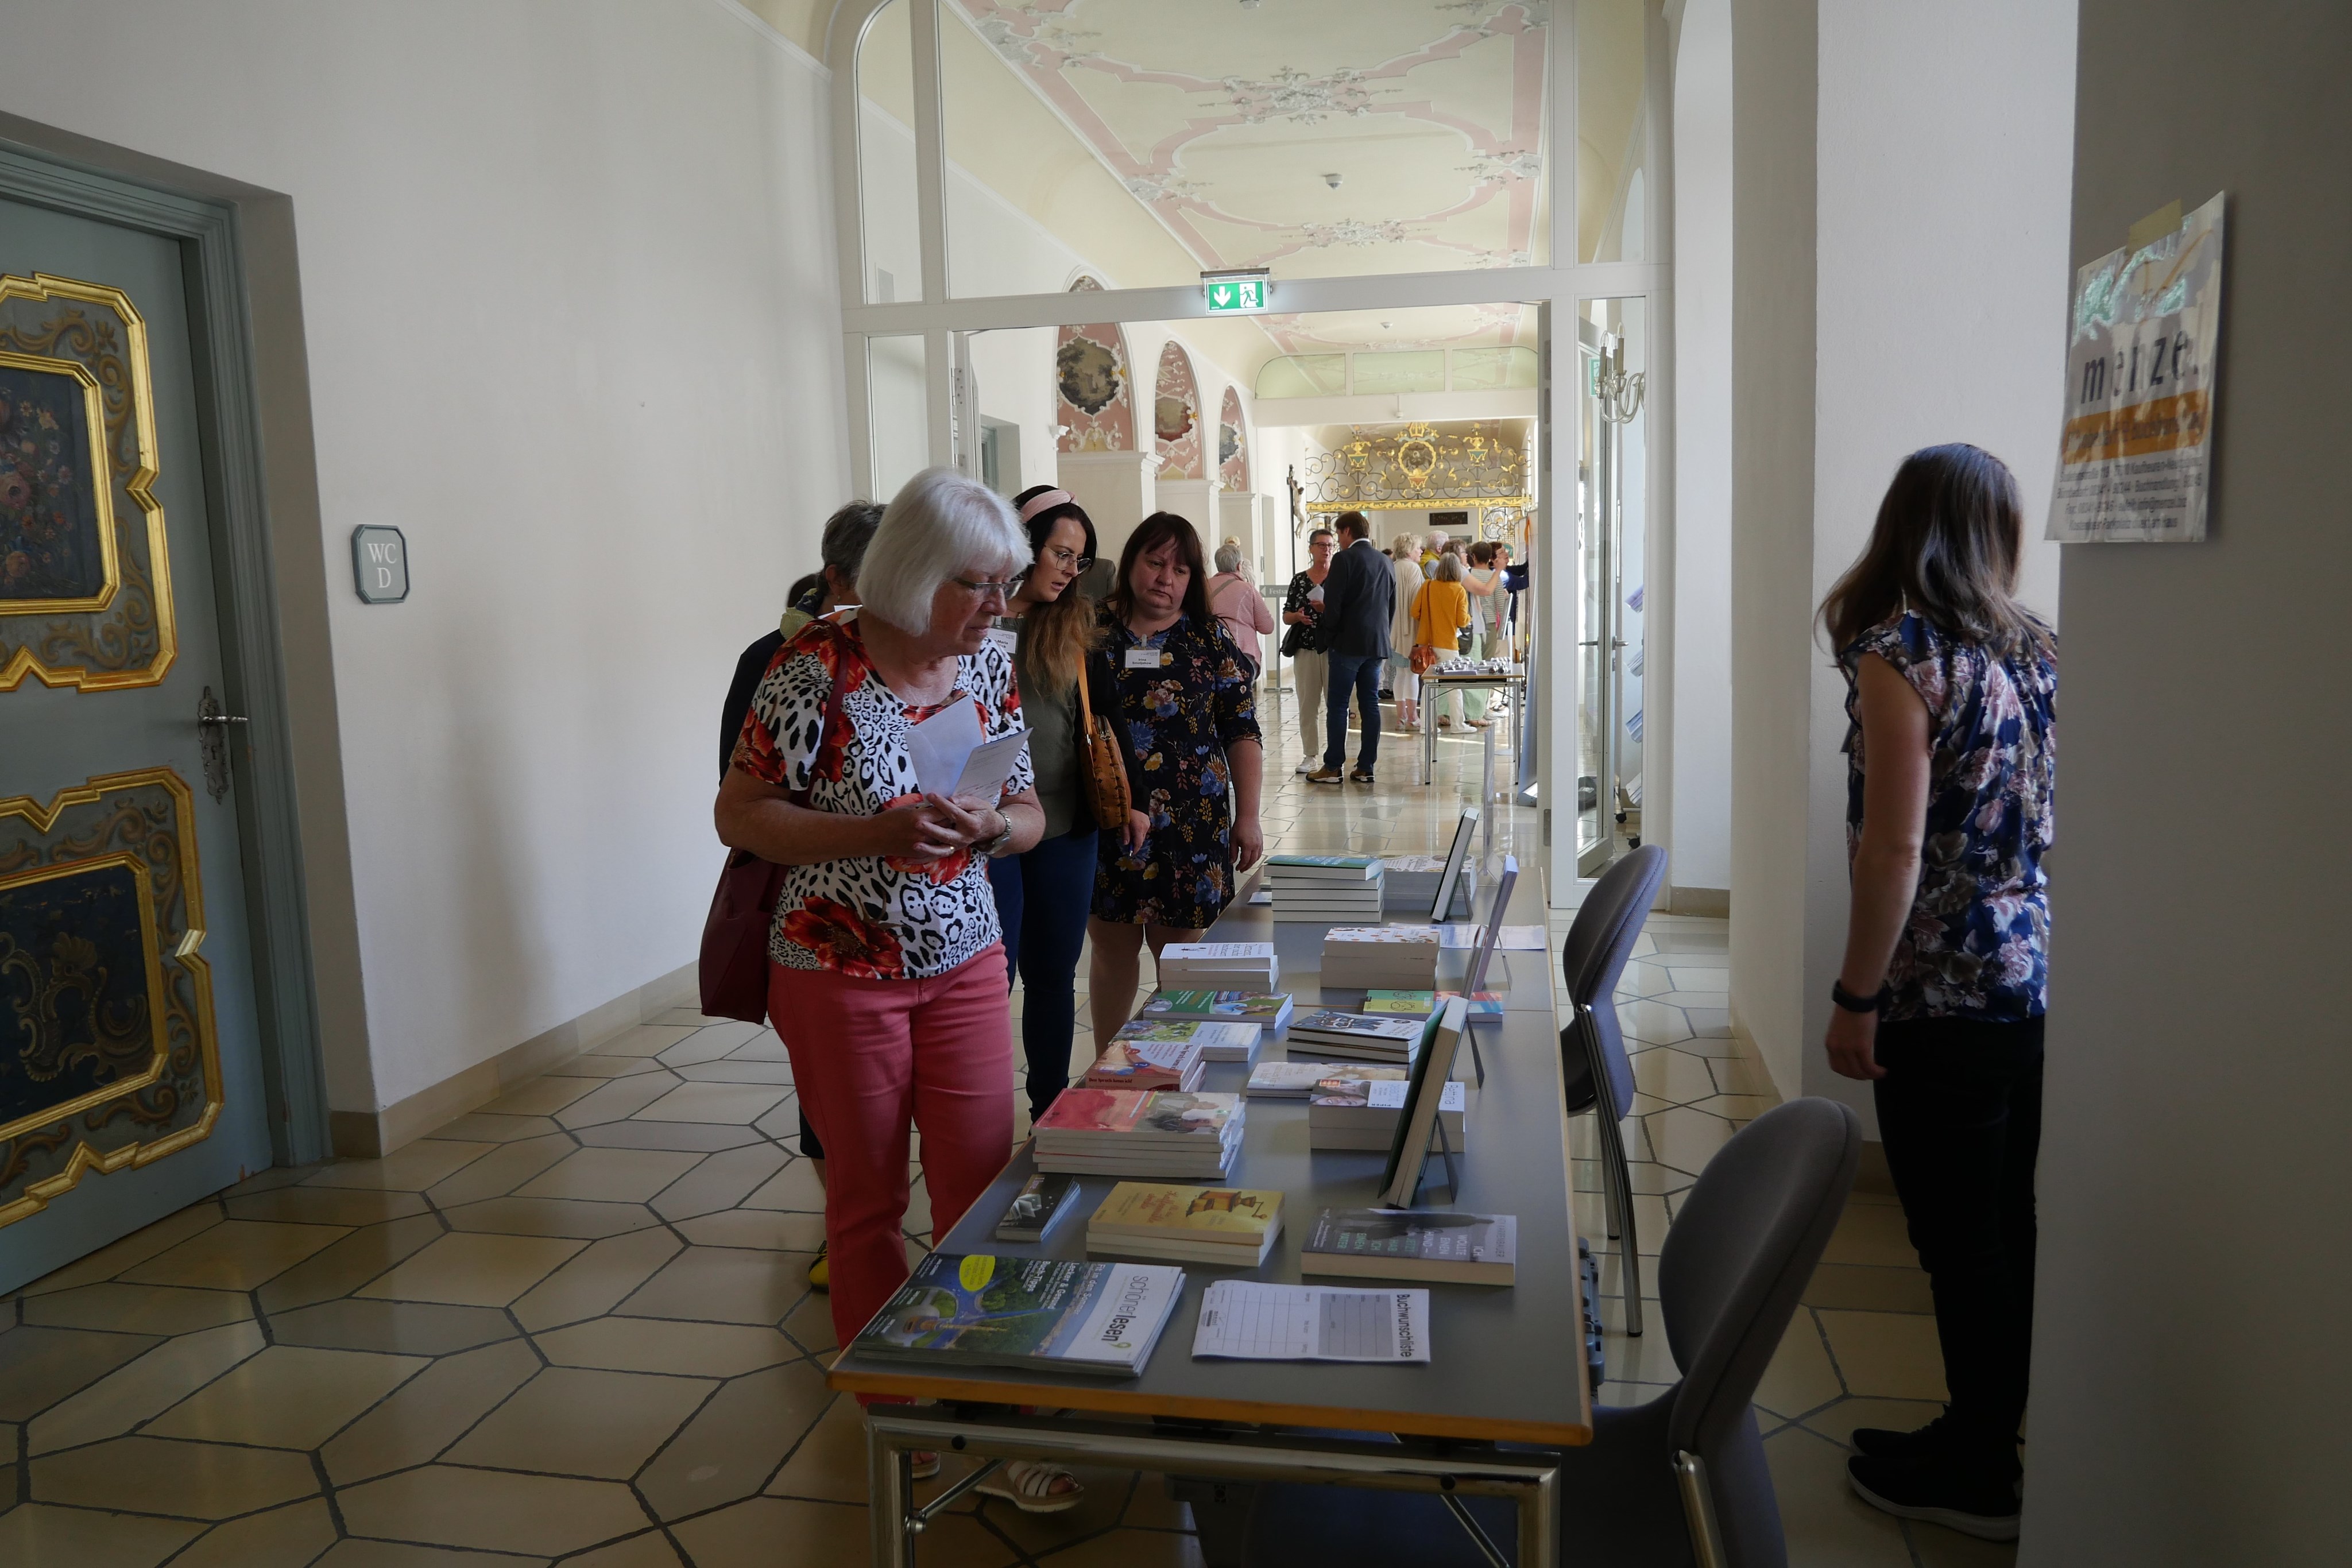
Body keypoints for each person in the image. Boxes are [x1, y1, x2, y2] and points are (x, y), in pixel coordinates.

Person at [717, 467, 1089, 1511]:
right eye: (976, 585)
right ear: (914, 574)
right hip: (839, 972)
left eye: (1004, 587)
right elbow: (741, 814)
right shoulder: (811, 673)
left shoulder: (987, 669)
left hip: (966, 958)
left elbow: (1027, 813)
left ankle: (1001, 1411)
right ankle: (903, 1416)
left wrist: (991, 828)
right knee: (869, 1200)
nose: (997, 608)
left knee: (983, 1189)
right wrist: (869, 833)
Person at [1818, 444, 2056, 1543]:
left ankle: (1978, 1468)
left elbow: (1892, 848)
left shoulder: (1899, 652)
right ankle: (1987, 1435)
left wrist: (1856, 994)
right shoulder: (2039, 648)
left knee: (1957, 1239)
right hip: (2031, 975)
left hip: (1939, 993)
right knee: (2007, 1221)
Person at [717, 498, 880, 1292]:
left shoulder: (921, 652)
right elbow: (741, 797)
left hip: (916, 915)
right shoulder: (777, 658)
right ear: (839, 577)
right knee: (834, 1087)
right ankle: (840, 1228)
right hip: (817, 913)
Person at [988, 487, 1139, 1127]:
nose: (1068, 570)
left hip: (1065, 827)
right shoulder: (973, 619)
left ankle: (1047, 1105)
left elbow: (1106, 714)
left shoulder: (1077, 627)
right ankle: (978, 1109)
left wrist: (1129, 799)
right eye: (1059, 552)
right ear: (1022, 544)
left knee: (1052, 975)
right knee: (989, 981)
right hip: (986, 830)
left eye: (1078, 559)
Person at [1088, 513, 1265, 1042]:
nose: (1166, 578)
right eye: (1155, 562)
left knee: (1182, 959)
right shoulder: (1090, 632)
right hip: (1110, 819)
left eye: (1181, 569)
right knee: (1112, 951)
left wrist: (1250, 816)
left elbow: (1242, 730)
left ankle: (1177, 1071)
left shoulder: (1209, 638)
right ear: (1132, 562)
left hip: (1193, 823)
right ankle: (1108, 1072)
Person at [1303, 512, 1395, 784]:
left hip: (1347, 644)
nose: (1338, 543)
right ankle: (1366, 767)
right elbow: (1391, 604)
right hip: (1376, 645)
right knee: (1370, 704)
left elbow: (1336, 603)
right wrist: (1381, 636)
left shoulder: (1344, 559)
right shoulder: (1385, 560)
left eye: (1338, 536)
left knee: (1339, 705)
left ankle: (1332, 766)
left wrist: (1327, 630)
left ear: (1346, 532)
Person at [1281, 527, 1335, 774]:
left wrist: (1327, 609)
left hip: (1333, 648)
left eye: (1330, 545)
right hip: (1305, 647)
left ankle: (1335, 755)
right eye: (1322, 545)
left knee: (1336, 704)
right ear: (1311, 548)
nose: (1326, 550)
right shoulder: (1300, 580)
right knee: (1307, 704)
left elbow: (1347, 614)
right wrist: (1298, 617)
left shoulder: (1338, 577)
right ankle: (1310, 755)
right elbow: (1286, 615)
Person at [1410, 553, 1473, 730]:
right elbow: (1462, 621)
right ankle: (1458, 724)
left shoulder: (1428, 586)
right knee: (1454, 686)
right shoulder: (1458, 590)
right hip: (1448, 644)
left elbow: (1415, 612)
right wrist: (1470, 617)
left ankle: (1426, 725)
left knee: (1429, 686)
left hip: (1426, 643)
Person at [1206, 541, 1274, 677]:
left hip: (1209, 652)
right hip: (1242, 654)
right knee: (1241, 697)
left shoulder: (1203, 587)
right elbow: (1267, 627)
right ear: (1239, 565)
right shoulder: (1248, 589)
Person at [1460, 540, 1505, 728]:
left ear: (1474, 557)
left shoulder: (1468, 575)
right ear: (1490, 558)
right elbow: (1500, 605)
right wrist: (1500, 628)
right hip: (1488, 625)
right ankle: (1483, 707)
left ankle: (1467, 707)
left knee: (1470, 667)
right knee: (1487, 667)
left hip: (1469, 625)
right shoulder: (1495, 578)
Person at [1387, 533, 1426, 733]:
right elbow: (1417, 604)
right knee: (1411, 673)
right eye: (1418, 548)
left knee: (1400, 674)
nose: (1421, 551)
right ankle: (1413, 717)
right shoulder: (1413, 569)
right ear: (1410, 550)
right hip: (1410, 628)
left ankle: (1401, 716)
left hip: (1392, 629)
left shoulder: (1392, 567)